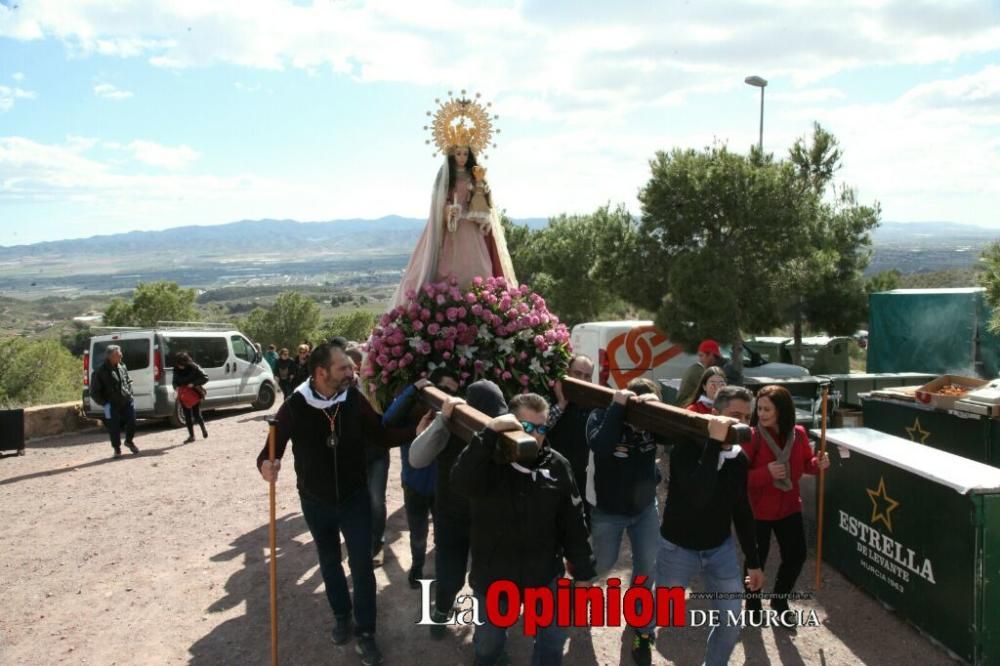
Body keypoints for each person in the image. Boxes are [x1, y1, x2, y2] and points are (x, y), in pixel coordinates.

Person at [256, 338, 414, 665]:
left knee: (361, 567)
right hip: (315, 501)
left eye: (351, 367)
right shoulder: (296, 405)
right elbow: (269, 451)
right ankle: (342, 616)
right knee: (329, 561)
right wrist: (267, 466)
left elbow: (381, 436)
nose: (351, 372)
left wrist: (416, 430)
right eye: (343, 367)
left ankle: (366, 632)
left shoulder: (354, 399)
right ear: (321, 372)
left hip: (355, 499)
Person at [452, 391, 595, 666]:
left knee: (553, 642)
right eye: (527, 427)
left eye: (542, 427)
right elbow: (460, 482)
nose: (537, 435)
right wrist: (489, 433)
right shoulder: (488, 462)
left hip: (543, 575)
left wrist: (584, 571)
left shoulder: (557, 465)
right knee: (488, 646)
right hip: (495, 578)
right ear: (511, 426)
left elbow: (574, 523)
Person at [657, 386, 765, 665]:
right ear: (715, 415)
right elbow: (699, 495)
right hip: (678, 548)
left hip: (719, 550)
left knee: (730, 622)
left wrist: (754, 562)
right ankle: (641, 634)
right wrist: (715, 443)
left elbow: (741, 510)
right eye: (733, 415)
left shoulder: (739, 459)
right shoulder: (685, 448)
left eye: (746, 416)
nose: (740, 423)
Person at [388, 96, 517, 309]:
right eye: (458, 152)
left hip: (473, 230)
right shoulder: (445, 176)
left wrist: (483, 211)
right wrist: (449, 210)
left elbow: (486, 201)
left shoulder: (477, 175)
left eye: (466, 153)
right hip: (453, 229)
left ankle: (481, 306)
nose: (462, 157)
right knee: (450, 270)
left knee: (481, 268)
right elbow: (439, 202)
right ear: (451, 153)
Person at [408, 379, 508, 639]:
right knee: (450, 575)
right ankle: (441, 610)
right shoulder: (449, 425)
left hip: (486, 520)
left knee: (487, 579)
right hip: (450, 515)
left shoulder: (505, 434)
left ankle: (490, 638)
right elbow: (416, 458)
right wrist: (442, 420)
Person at [585, 377, 665, 666]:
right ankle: (579, 590)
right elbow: (601, 445)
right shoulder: (601, 415)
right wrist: (619, 408)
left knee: (647, 568)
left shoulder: (655, 421)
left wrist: (658, 412)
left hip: (644, 509)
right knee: (602, 564)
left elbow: (676, 436)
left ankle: (642, 631)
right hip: (609, 511)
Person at [743, 385, 830, 621]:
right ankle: (753, 606)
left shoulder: (799, 434)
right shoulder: (752, 436)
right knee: (756, 562)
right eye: (759, 408)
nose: (761, 413)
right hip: (758, 511)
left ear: (781, 410)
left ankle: (780, 600)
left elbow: (806, 464)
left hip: (789, 506)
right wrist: (766, 473)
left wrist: (818, 463)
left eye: (767, 409)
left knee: (796, 555)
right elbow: (739, 478)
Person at [381, 367, 460, 588]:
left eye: (453, 392)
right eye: (443, 390)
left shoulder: (456, 417)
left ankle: (443, 576)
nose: (448, 396)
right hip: (414, 486)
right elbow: (388, 420)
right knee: (418, 535)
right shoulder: (413, 412)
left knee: (442, 535)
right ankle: (417, 566)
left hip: (442, 489)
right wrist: (414, 389)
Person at [546, 354, 595, 524]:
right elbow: (540, 429)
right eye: (578, 373)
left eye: (587, 376)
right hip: (555, 478)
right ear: (567, 373)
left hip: (582, 481)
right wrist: (561, 403)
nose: (582, 379)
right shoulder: (552, 396)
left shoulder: (596, 402)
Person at [90, 344, 139, 458]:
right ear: (110, 356)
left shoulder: (122, 366)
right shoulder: (100, 371)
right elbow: (94, 392)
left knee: (132, 421)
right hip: (111, 404)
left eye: (120, 353)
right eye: (118, 354)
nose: (121, 355)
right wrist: (104, 403)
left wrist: (130, 394)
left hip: (126, 401)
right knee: (114, 427)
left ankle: (129, 441)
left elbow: (127, 380)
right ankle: (117, 449)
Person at [171, 351, 209, 443]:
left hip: (194, 393)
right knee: (187, 415)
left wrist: (193, 384)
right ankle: (191, 436)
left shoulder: (194, 367)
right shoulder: (176, 369)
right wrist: (176, 388)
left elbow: (205, 377)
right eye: (178, 364)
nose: (180, 366)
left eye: (181, 364)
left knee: (196, 414)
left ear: (186, 362)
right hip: (183, 394)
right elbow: (174, 381)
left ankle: (203, 428)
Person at [675, 339, 725, 408]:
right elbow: (712, 396)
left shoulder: (699, 369)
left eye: (702, 356)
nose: (700, 359)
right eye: (715, 357)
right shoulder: (699, 371)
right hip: (685, 410)